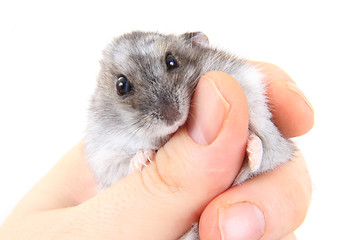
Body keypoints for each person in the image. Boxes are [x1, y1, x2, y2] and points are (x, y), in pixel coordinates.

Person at [0, 62, 314, 240]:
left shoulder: (212, 78)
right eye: (125, 87)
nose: (167, 109)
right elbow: (105, 170)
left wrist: (255, 144)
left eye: (171, 65)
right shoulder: (103, 138)